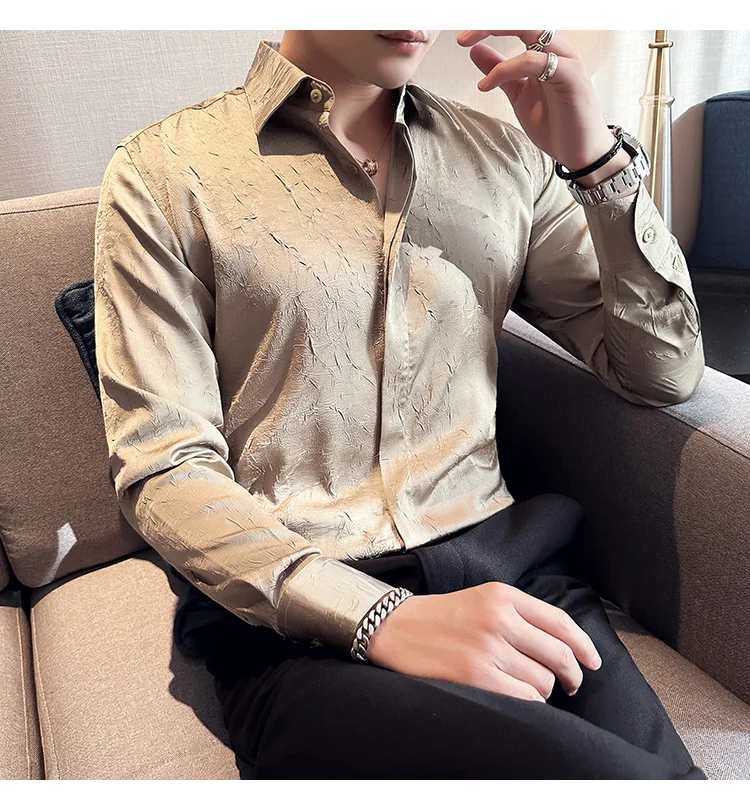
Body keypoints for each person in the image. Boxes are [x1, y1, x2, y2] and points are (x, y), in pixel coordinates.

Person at [93, 30, 707, 779]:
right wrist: (377, 616)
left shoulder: (505, 160)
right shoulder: (164, 171)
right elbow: (165, 466)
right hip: (299, 617)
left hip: (512, 570)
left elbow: (661, 373)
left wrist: (596, 163)